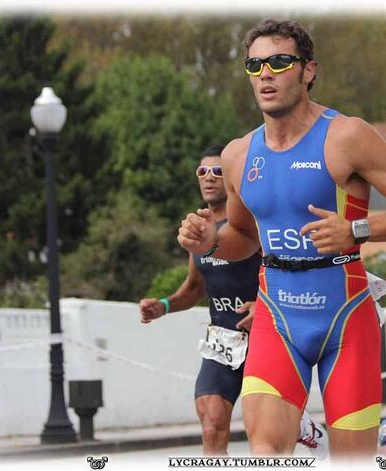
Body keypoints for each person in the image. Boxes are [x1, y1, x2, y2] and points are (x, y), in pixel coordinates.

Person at [177, 20, 386, 464]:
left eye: (280, 62)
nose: (266, 73)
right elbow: (242, 237)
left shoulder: (347, 136)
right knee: (266, 453)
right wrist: (210, 242)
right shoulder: (238, 155)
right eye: (255, 65)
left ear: (308, 70)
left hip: (345, 316)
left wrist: (357, 230)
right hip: (277, 316)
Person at [140, 145, 328, 457]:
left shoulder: (251, 227)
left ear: (230, 179)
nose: (209, 177)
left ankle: (304, 430)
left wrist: (263, 305)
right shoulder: (201, 232)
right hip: (223, 340)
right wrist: (164, 305)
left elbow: (287, 272)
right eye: (202, 171)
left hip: (265, 336)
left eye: (218, 171)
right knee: (211, 423)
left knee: (270, 433)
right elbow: (194, 287)